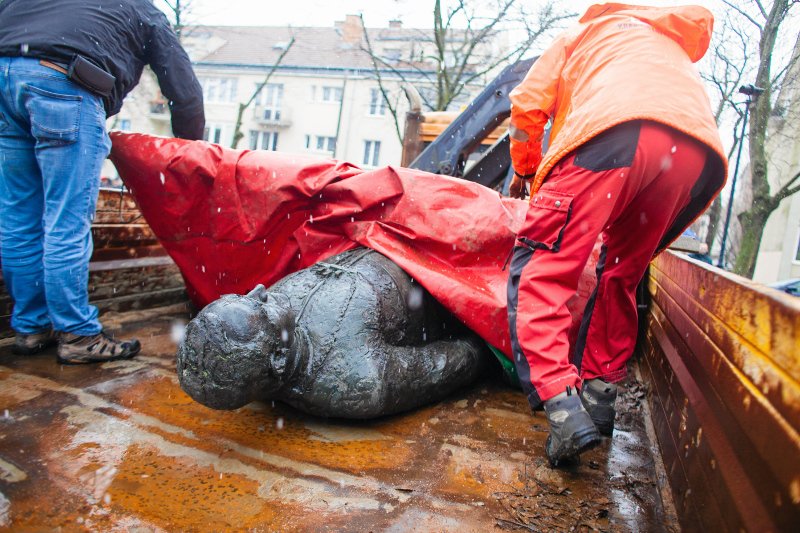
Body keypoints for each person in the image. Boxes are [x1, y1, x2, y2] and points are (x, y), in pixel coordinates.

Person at [505, 3, 726, 465]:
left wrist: (526, 170)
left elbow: (527, 105)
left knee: (541, 271)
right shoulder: (667, 47)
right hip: (693, 157)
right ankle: (600, 398)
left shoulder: (583, 36)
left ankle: (564, 411)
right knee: (621, 274)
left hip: (613, 135)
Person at [0, 0, 205, 364]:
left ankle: (31, 328)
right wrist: (189, 151)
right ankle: (77, 333)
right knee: (66, 220)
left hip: (5, 78)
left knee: (19, 219)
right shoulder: (140, 9)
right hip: (63, 85)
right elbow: (182, 85)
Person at [178, 248, 487, 418]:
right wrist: (491, 339)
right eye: (260, 304)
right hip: (440, 268)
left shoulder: (273, 322)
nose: (260, 290)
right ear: (279, 359)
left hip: (391, 241)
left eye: (246, 296)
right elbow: (457, 360)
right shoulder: (360, 379)